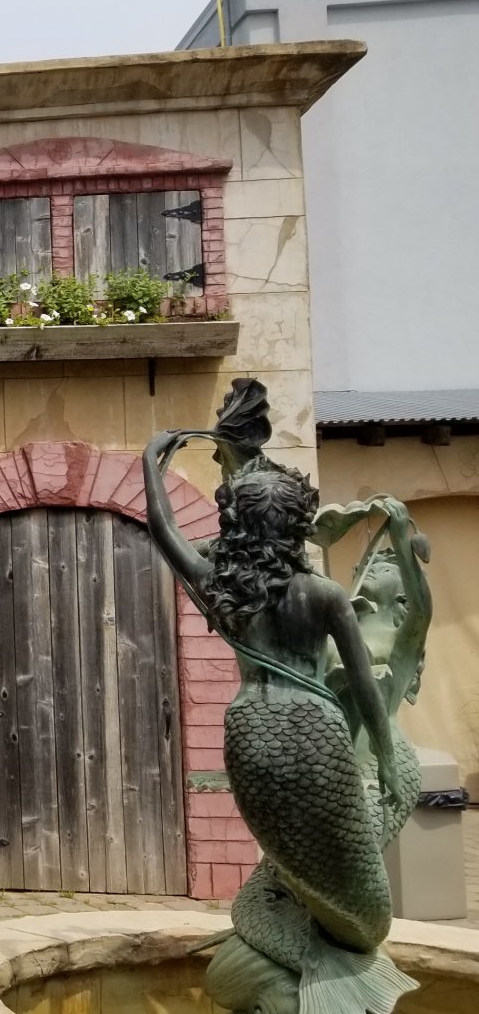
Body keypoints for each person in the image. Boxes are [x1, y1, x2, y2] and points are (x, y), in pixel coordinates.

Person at [142, 378, 420, 1014]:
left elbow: (162, 530)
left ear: (237, 522)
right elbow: (370, 697)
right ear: (297, 523)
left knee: (288, 856)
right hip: (314, 732)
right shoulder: (320, 595)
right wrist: (390, 762)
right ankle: (328, 967)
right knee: (349, 881)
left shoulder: (222, 580)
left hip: (252, 732)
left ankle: (294, 949)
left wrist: (153, 463)